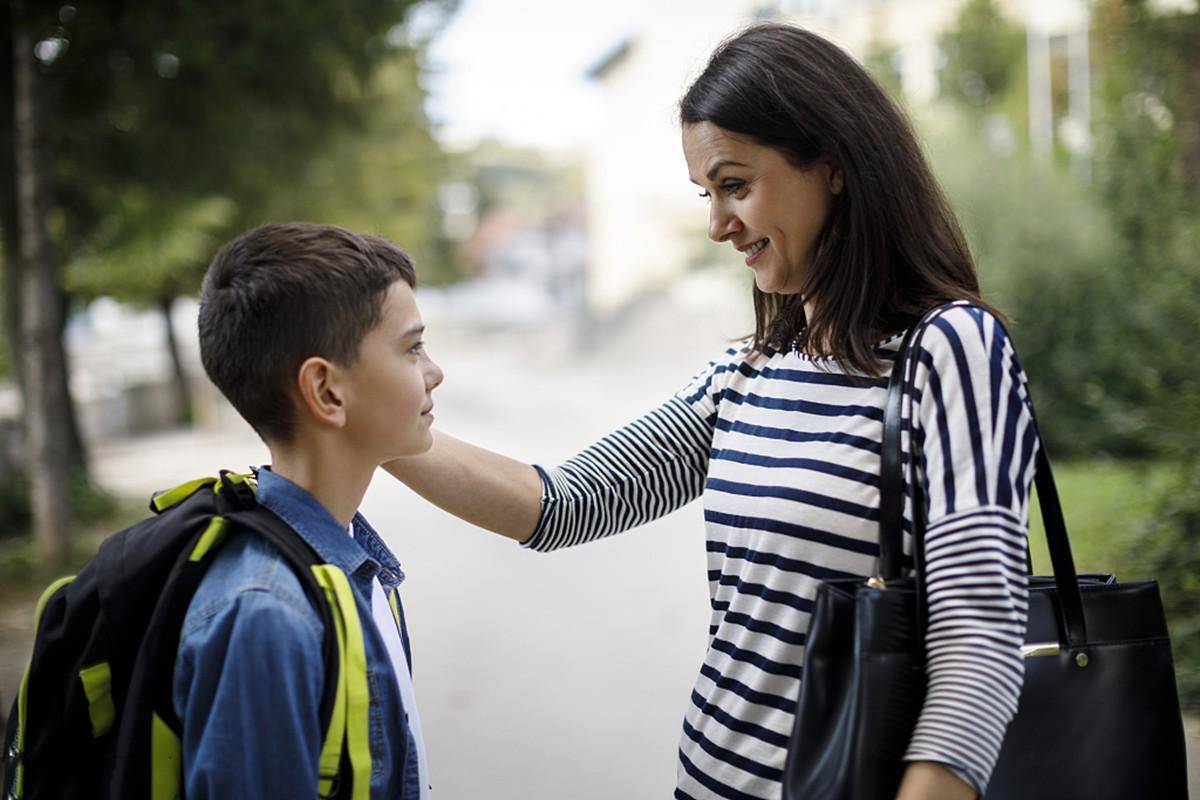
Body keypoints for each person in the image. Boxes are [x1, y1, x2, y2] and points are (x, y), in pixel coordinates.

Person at [385, 23, 1038, 800]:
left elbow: (981, 642)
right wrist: (374, 429)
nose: (716, 224)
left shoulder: (950, 350)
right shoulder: (746, 372)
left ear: (831, 166)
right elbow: (561, 503)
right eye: (707, 194)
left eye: (735, 185)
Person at [182, 222, 443, 798]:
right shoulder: (266, 616)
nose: (433, 372)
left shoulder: (353, 562)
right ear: (327, 392)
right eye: (412, 347)